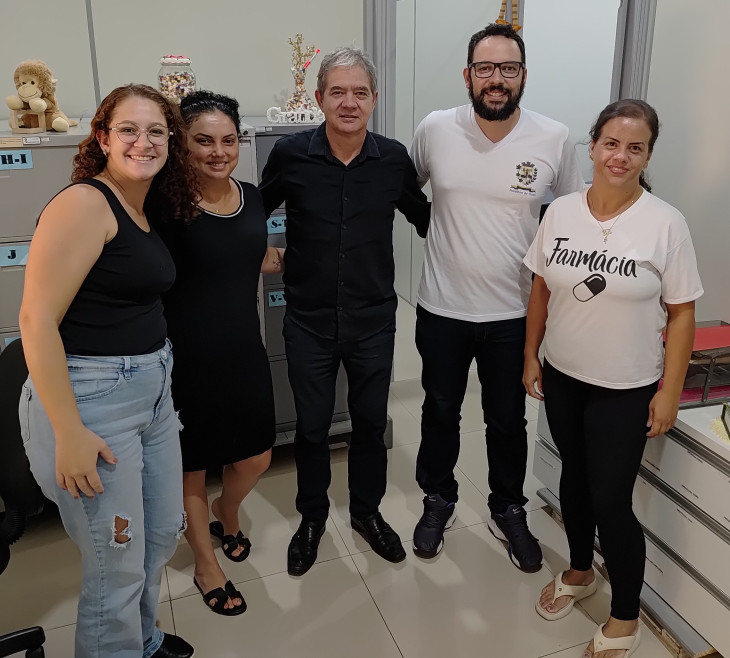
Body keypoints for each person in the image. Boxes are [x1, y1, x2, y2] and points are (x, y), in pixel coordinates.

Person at [18, 84, 198, 658]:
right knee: (115, 561)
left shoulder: (139, 207)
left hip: (151, 394)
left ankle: (140, 641)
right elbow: (35, 319)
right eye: (128, 130)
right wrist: (68, 432)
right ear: (102, 138)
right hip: (92, 400)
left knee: (160, 533)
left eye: (156, 131)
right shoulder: (85, 203)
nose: (144, 142)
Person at [523, 99, 701, 657]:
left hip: (626, 388)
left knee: (610, 500)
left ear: (647, 156)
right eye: (611, 143)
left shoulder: (665, 223)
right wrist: (531, 354)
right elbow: (541, 288)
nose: (620, 156)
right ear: (593, 145)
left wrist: (670, 392)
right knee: (573, 482)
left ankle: (625, 616)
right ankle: (580, 572)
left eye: (635, 147)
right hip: (564, 376)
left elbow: (682, 313)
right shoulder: (561, 212)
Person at [409, 22, 584, 568]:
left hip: (513, 313)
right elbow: (406, 188)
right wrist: (433, 229)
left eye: (508, 68)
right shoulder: (436, 128)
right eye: (485, 68)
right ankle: (438, 498)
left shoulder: (554, 137)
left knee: (507, 420)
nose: (496, 79)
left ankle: (508, 507)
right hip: (442, 307)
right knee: (440, 410)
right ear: (468, 75)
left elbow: (570, 217)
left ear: (523, 76)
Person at [259, 47, 430, 576]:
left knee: (371, 424)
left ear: (374, 99)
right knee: (312, 428)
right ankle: (312, 518)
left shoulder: (393, 159)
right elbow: (249, 213)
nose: (349, 102)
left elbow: (428, 219)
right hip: (308, 321)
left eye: (359, 92)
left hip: (373, 321)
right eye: (338, 92)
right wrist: (257, 253)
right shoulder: (291, 154)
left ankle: (366, 512)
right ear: (320, 98)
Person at [154, 91, 281, 615]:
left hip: (243, 347)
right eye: (203, 141)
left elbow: (249, 254)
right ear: (182, 144)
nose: (218, 151)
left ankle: (225, 510)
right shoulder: (166, 205)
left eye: (228, 140)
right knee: (191, 465)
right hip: (186, 356)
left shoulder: (251, 196)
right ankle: (207, 564)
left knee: (256, 455)